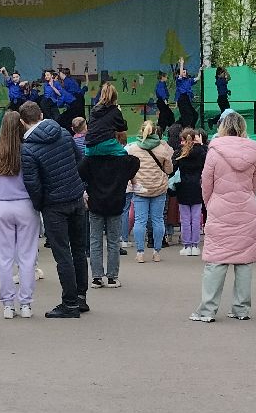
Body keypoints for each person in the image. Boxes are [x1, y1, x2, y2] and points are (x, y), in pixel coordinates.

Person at [191, 110, 256, 322]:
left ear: (222, 127)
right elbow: (255, 183)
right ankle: (241, 309)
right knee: (244, 261)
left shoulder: (214, 153)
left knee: (216, 259)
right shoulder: (253, 153)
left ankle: (207, 311)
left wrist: (211, 204)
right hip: (246, 208)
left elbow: (206, 184)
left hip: (220, 208)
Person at [19, 101, 90, 319]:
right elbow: (80, 162)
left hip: (54, 205)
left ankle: (69, 304)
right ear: (41, 114)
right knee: (78, 250)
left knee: (62, 254)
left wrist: (40, 204)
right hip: (76, 197)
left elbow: (33, 184)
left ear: (23, 122)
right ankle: (80, 298)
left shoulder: (28, 149)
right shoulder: (64, 134)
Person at [0, 110, 40, 317]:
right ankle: (26, 304)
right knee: (27, 257)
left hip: (1, 206)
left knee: (4, 257)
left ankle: (8, 304)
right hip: (26, 206)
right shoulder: (28, 150)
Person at [79, 128, 139, 291]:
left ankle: (97, 277)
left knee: (95, 241)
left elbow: (79, 173)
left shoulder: (91, 159)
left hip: (95, 203)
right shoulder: (123, 160)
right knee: (113, 241)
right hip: (115, 203)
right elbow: (135, 162)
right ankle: (112, 277)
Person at [126, 121, 175, 263]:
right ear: (155, 132)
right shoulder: (162, 149)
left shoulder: (133, 148)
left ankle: (140, 253)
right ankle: (157, 252)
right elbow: (169, 170)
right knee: (158, 220)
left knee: (140, 221)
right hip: (159, 189)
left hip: (140, 189)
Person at [174, 129, 207, 256]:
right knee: (196, 217)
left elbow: (172, 167)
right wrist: (201, 144)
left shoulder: (179, 152)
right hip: (198, 186)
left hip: (183, 186)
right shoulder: (201, 152)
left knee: (185, 218)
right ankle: (195, 245)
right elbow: (207, 160)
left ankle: (187, 245)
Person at [86, 82, 128, 150]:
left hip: (89, 148)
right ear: (115, 96)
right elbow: (122, 127)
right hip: (105, 146)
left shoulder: (93, 110)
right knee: (125, 154)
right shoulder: (115, 111)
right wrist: (119, 112)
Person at [174, 58, 201, 129]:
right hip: (182, 99)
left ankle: (190, 129)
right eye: (183, 72)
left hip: (186, 99)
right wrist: (181, 63)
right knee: (187, 116)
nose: (184, 73)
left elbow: (197, 78)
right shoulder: (179, 80)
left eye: (185, 72)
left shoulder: (189, 80)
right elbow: (180, 74)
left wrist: (200, 70)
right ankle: (186, 130)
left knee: (195, 115)